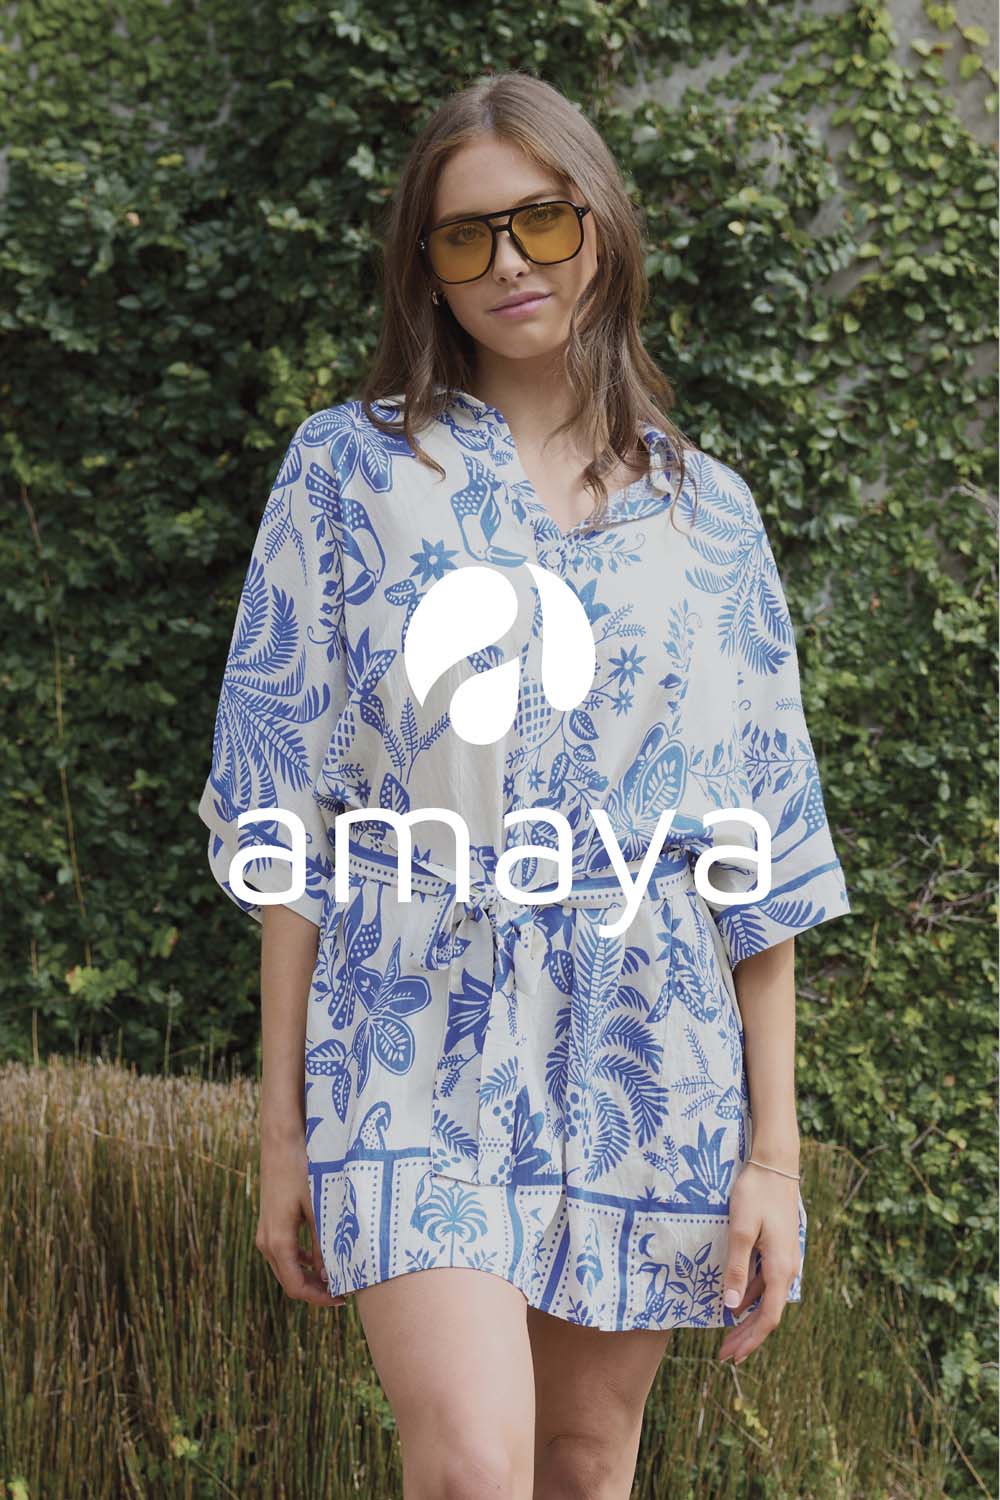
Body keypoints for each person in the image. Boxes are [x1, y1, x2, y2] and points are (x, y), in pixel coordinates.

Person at [198, 69, 852, 1500]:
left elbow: (760, 856)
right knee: (473, 1469)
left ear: (600, 226)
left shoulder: (708, 515)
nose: (507, 262)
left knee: (581, 1465)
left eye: (540, 221)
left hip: (643, 1045)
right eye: (465, 235)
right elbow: (284, 815)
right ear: (424, 267)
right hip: (405, 1027)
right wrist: (279, 1132)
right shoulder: (347, 475)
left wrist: (774, 1161)